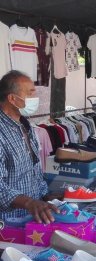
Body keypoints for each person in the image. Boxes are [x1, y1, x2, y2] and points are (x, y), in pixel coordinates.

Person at [0, 70, 59, 224]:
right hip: (8, 224)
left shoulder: (26, 126)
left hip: (33, 218)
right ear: (12, 98)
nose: (35, 98)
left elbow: (34, 170)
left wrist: (45, 195)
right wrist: (29, 203)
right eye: (30, 93)